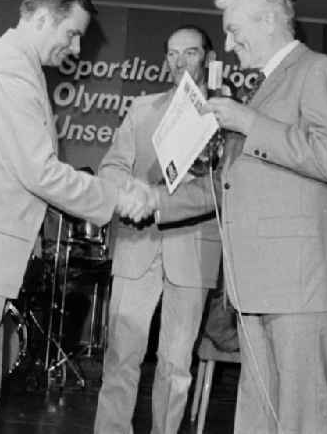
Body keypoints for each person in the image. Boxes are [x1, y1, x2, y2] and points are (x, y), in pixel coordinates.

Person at [0, 0, 154, 434]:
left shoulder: (15, 66)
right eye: (72, 32)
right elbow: (40, 172)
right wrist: (116, 198)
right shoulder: (10, 71)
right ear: (42, 18)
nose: (77, 45)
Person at [155, 0, 327, 433]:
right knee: (258, 412)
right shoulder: (265, 86)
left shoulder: (317, 69)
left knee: (304, 416)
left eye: (233, 30)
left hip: (294, 281)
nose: (226, 43)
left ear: (267, 21)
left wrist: (248, 121)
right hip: (257, 279)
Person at [93, 25, 222, 434]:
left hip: (194, 248)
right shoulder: (142, 108)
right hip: (137, 245)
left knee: (175, 365)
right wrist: (128, 188)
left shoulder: (226, 114)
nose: (179, 62)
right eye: (172, 53)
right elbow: (111, 165)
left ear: (208, 57)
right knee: (121, 357)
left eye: (190, 52)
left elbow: (226, 185)